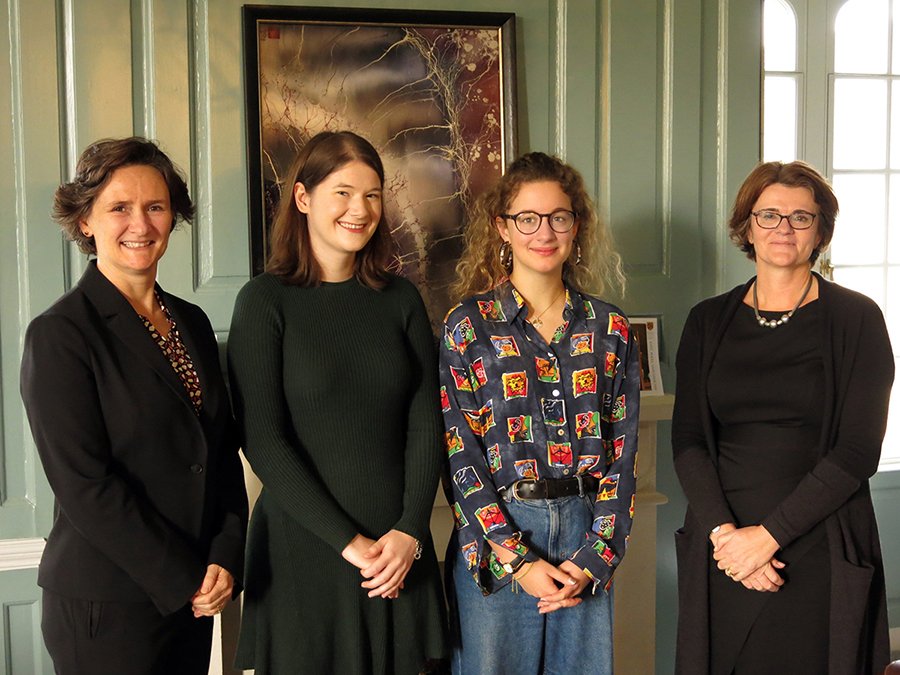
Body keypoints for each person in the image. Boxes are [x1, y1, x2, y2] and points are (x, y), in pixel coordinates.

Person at [20, 137, 248, 674]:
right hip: (108, 604)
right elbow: (85, 486)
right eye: (119, 208)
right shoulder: (60, 334)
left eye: (155, 207)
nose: (140, 225)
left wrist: (224, 553)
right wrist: (183, 578)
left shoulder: (191, 323)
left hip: (194, 593)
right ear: (85, 222)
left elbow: (219, 453)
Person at [228, 130, 447, 674]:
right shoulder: (264, 302)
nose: (360, 209)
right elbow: (263, 439)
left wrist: (410, 531)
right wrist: (349, 543)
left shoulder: (400, 299)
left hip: (399, 555)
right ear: (303, 198)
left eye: (373, 195)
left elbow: (427, 422)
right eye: (343, 193)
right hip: (305, 550)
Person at [672, 161, 894, 674]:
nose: (783, 229)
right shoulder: (707, 320)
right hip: (721, 545)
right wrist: (728, 538)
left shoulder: (858, 318)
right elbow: (688, 441)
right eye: (769, 215)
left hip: (817, 539)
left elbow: (859, 449)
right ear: (747, 226)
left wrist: (766, 539)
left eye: (800, 217)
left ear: (821, 231)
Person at [441, 152, 640, 674]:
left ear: (577, 226)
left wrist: (595, 557)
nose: (544, 232)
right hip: (501, 535)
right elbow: (460, 454)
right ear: (502, 228)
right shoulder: (469, 326)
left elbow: (623, 457)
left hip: (584, 530)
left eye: (559, 217)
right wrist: (519, 560)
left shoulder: (609, 328)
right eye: (527, 218)